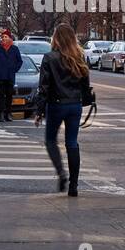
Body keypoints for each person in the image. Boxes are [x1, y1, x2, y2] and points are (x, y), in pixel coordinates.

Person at [35, 24, 93, 196]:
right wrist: (84, 100)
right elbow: (85, 84)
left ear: (56, 38)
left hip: (56, 104)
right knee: (72, 142)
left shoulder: (49, 58)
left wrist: (39, 111)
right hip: (74, 104)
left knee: (51, 140)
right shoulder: (79, 56)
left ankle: (61, 173)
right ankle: (74, 186)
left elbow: (44, 87)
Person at [0, 29, 23, 121]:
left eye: (6, 37)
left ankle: (8, 113)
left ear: (9, 38)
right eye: (3, 37)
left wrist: (15, 69)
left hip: (10, 75)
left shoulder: (14, 49)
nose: (4, 38)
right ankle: (1, 113)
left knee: (9, 95)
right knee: (1, 95)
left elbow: (19, 61)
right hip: (0, 75)